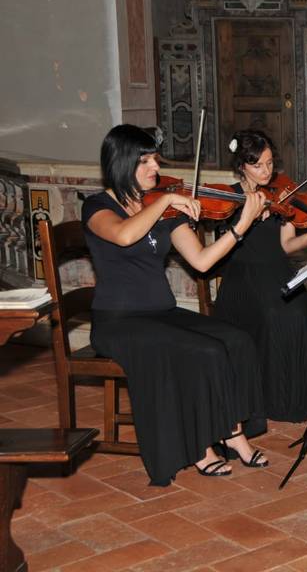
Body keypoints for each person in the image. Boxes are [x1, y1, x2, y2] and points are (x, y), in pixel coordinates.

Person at [83, 124, 270, 486]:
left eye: (155, 159)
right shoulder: (98, 206)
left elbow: (201, 261)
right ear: (122, 163)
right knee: (202, 351)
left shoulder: (160, 205)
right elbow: (124, 235)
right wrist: (168, 201)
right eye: (146, 161)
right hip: (118, 321)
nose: (155, 167)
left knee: (236, 340)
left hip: (161, 313)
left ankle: (232, 434)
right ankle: (201, 446)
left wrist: (240, 227)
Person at [214, 130, 307, 426]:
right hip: (243, 277)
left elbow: (286, 246)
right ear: (242, 166)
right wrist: (247, 217)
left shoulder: (281, 195)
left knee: (298, 308)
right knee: (275, 314)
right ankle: (269, 400)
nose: (267, 172)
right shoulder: (228, 198)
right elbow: (222, 249)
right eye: (258, 166)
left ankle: (296, 399)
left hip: (276, 270)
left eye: (270, 163)